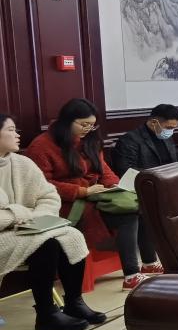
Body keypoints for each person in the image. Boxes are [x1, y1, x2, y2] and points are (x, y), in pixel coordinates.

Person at [0, 113, 106, 330]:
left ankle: (73, 303)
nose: (18, 135)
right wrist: (18, 216)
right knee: (45, 243)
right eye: (11, 130)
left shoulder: (22, 163)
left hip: (26, 227)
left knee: (70, 235)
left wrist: (35, 218)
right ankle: (46, 311)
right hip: (7, 231)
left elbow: (49, 196)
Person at [27, 99, 160, 290]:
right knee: (126, 214)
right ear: (67, 121)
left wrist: (117, 186)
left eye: (92, 125)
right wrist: (82, 191)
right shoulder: (41, 146)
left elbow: (103, 170)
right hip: (64, 203)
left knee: (140, 205)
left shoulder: (90, 140)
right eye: (83, 124)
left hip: (94, 195)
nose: (88, 129)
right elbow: (41, 184)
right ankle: (131, 275)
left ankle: (149, 263)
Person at [112, 104, 178, 174]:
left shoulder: (165, 136)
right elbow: (127, 170)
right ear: (154, 122)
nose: (170, 131)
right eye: (169, 128)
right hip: (149, 180)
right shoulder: (129, 140)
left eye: (173, 128)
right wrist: (157, 177)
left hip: (170, 178)